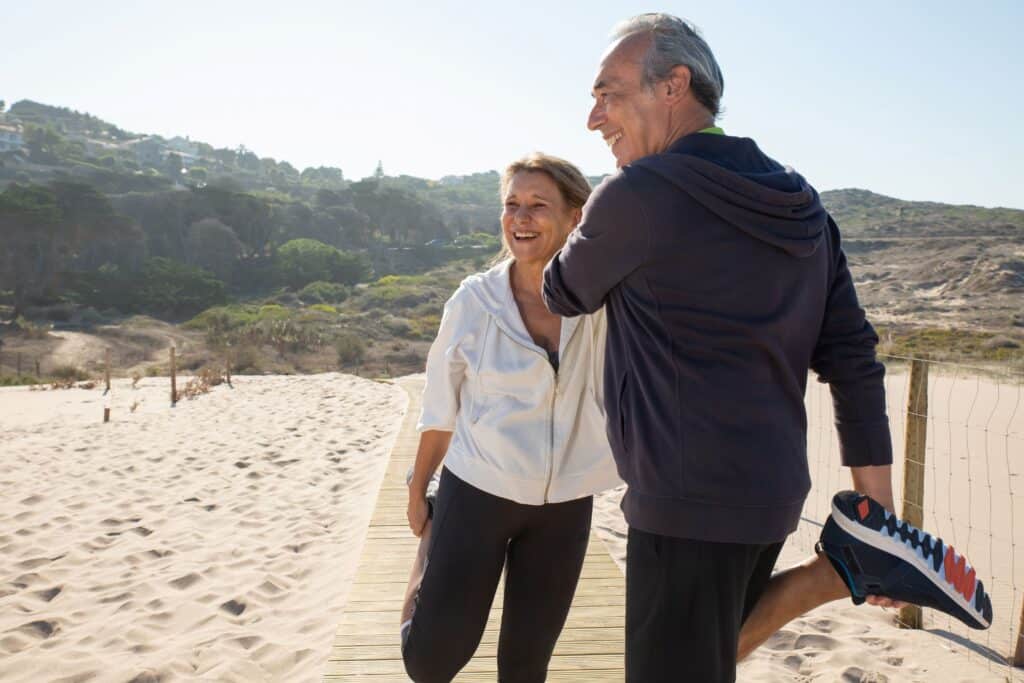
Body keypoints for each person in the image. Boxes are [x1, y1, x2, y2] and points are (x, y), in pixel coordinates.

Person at [542, 13, 990, 682]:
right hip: (771, 494)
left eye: (608, 93)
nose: (593, 118)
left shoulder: (636, 196)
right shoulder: (802, 201)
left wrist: (594, 218)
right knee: (706, 654)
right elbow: (852, 357)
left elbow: (563, 292)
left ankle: (840, 568)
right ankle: (847, 561)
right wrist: (878, 505)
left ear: (674, 86)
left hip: (682, 501)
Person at [399, 153, 621, 683]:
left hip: (565, 503)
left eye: (537, 205)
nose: (520, 218)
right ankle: (423, 573)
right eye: (512, 205)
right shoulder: (474, 301)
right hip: (478, 490)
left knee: (526, 665)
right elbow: (439, 406)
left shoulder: (604, 304)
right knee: (431, 661)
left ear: (575, 216)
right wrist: (417, 490)